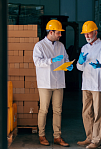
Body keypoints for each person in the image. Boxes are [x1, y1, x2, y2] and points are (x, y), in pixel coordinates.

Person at [33, 19, 73, 147]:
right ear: (51, 32)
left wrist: (68, 66)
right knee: (44, 110)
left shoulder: (60, 46)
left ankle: (57, 136)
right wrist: (51, 60)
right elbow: (38, 62)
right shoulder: (39, 46)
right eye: (58, 33)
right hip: (45, 83)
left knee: (58, 110)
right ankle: (42, 135)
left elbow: (65, 59)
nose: (60, 35)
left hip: (59, 82)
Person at [76, 21, 101, 149]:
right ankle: (89, 137)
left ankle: (96, 141)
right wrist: (80, 62)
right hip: (86, 84)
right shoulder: (84, 48)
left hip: (99, 84)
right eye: (85, 34)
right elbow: (79, 67)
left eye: (89, 33)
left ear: (96, 32)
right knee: (86, 112)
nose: (87, 36)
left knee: (98, 113)